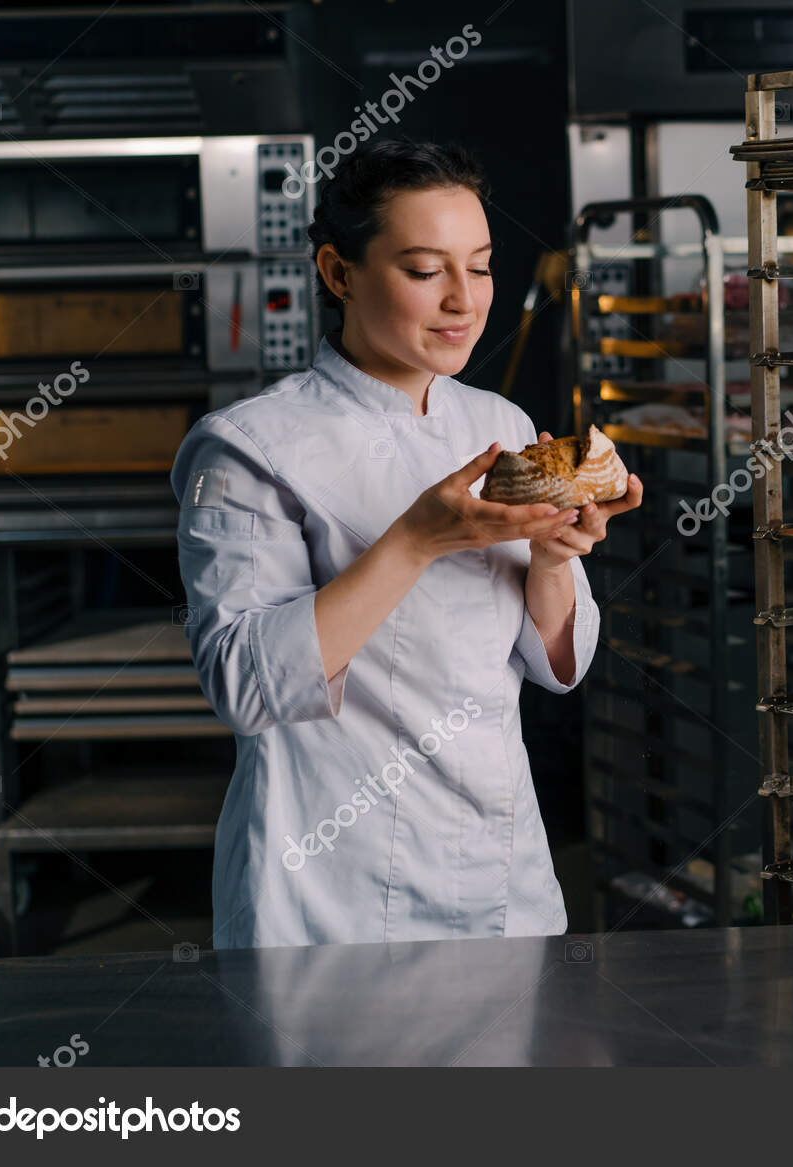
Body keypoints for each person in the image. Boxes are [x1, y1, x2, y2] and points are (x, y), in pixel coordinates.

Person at [170, 139, 641, 948]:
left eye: (482, 266)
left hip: (501, 881)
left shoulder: (502, 428)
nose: (463, 300)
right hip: (330, 899)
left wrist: (557, 558)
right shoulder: (251, 446)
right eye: (425, 271)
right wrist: (417, 540)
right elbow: (245, 684)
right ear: (337, 272)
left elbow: (559, 666)